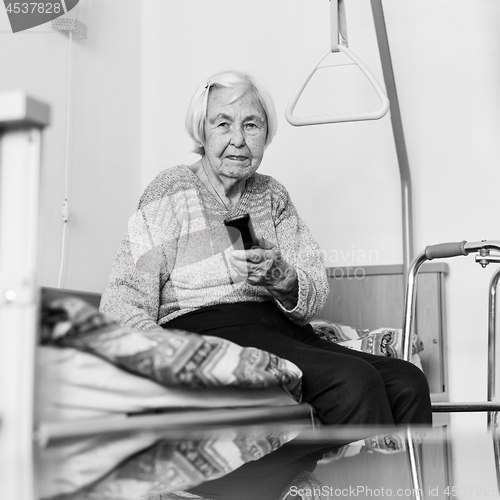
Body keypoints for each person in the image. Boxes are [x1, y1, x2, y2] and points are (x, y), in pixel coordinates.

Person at [100, 70, 432, 426]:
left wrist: (284, 279)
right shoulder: (170, 190)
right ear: (202, 131)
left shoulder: (273, 195)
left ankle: (405, 484)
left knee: (408, 382)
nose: (239, 140)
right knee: (352, 381)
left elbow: (314, 288)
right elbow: (122, 300)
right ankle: (342, 484)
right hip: (208, 334)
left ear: (267, 134)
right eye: (223, 124)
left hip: (283, 332)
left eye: (251, 125)